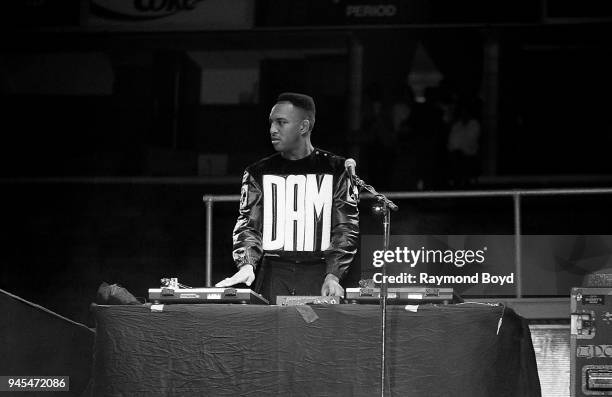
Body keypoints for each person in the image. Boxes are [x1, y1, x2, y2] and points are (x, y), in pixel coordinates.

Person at [215, 93, 360, 303]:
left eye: (281, 122)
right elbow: (248, 224)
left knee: (315, 334)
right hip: (273, 273)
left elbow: (346, 228)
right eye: (272, 122)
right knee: (271, 335)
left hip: (319, 273)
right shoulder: (258, 172)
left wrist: (333, 274)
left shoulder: (336, 169)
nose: (273, 129)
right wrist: (247, 263)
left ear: (303, 127)